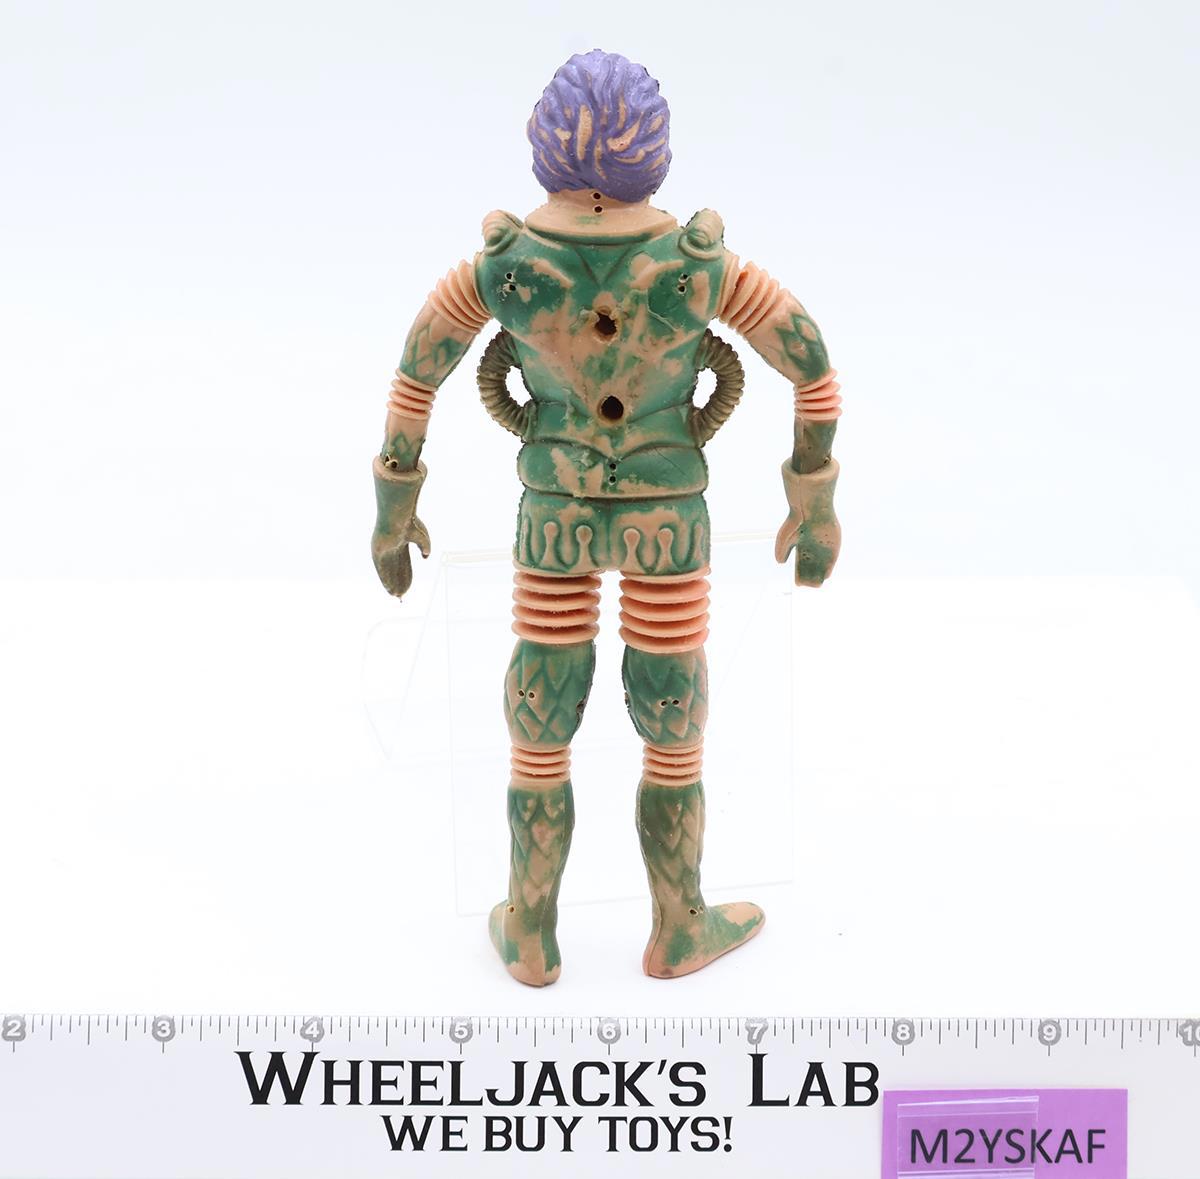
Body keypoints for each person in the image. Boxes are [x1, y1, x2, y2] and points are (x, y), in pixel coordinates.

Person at [371, 49, 842, 985]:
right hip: (667, 515)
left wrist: (396, 504)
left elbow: (417, 374)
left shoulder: (504, 267)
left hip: (556, 510)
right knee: (673, 715)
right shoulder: (702, 268)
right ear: (655, 150)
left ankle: (531, 927)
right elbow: (812, 367)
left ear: (543, 144)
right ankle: (678, 924)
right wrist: (812, 496)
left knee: (539, 711)